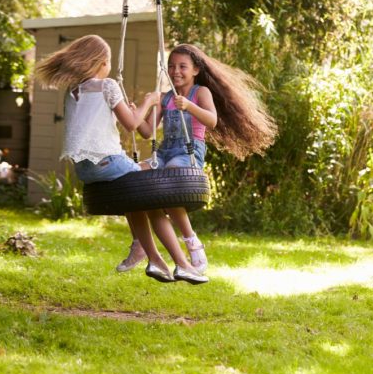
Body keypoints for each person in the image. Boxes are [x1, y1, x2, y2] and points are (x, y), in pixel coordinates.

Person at [34, 34, 208, 284]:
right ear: (100, 62)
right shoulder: (107, 85)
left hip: (84, 169)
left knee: (135, 198)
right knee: (152, 198)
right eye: (109, 62)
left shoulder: (73, 91)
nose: (110, 68)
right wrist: (148, 101)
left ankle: (153, 259)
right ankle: (183, 264)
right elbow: (133, 124)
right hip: (108, 161)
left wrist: (130, 109)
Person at [115, 43, 278, 274]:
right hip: (163, 152)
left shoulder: (200, 92)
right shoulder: (166, 98)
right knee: (133, 174)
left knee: (172, 174)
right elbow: (146, 132)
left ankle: (191, 240)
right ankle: (140, 243)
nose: (176, 71)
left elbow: (211, 120)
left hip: (188, 152)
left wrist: (189, 106)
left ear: (196, 70)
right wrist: (139, 110)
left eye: (183, 66)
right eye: (171, 66)